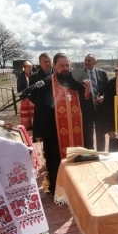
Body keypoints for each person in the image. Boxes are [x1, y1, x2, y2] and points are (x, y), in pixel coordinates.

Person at [29, 53, 91, 195]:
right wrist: (40, 133)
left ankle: (81, 186)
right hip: (55, 132)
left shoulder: (79, 83)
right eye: (61, 65)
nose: (65, 68)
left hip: (78, 131)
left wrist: (87, 94)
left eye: (67, 65)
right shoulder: (46, 83)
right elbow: (41, 109)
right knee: (56, 160)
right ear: (54, 66)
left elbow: (87, 108)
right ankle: (60, 189)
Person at [82, 54, 109, 151]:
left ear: (95, 62)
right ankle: (90, 153)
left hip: (100, 108)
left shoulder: (102, 74)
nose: (86, 62)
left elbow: (107, 90)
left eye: (89, 60)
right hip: (87, 108)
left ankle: (101, 153)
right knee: (88, 133)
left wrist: (103, 97)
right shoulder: (80, 74)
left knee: (100, 132)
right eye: (85, 60)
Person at [17, 61, 34, 129]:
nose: (30, 69)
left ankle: (33, 125)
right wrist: (22, 95)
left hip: (32, 96)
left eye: (31, 67)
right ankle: (26, 126)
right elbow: (19, 87)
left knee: (33, 111)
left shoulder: (33, 75)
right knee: (25, 111)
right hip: (24, 97)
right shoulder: (21, 76)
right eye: (28, 67)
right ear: (24, 68)